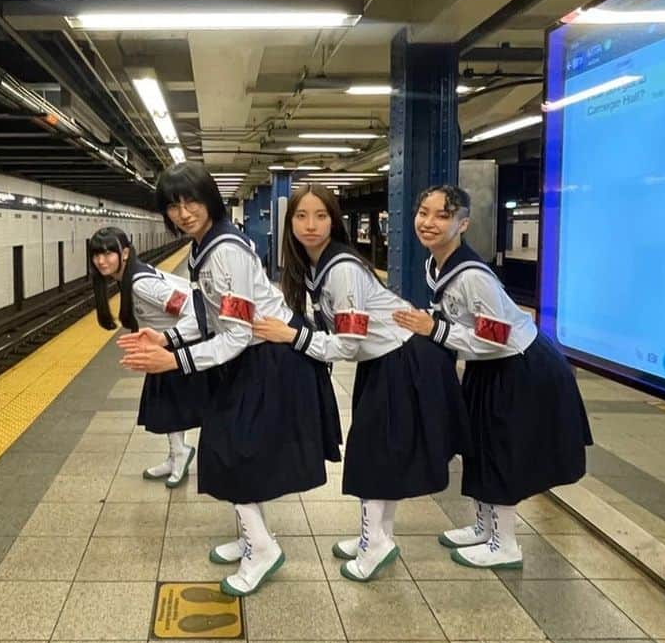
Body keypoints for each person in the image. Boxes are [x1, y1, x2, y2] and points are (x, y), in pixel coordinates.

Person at [117, 163, 341, 596]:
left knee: (232, 453)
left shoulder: (226, 252)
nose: (183, 213)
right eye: (173, 205)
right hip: (251, 358)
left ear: (210, 200)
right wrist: (168, 337)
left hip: (271, 359)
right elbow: (210, 314)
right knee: (231, 452)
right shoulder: (204, 246)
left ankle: (262, 549)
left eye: (191, 201)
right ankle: (251, 538)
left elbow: (236, 333)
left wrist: (175, 361)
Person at [254, 184, 469, 581]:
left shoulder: (342, 270)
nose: (311, 225)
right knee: (379, 454)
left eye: (321, 216)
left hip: (403, 361)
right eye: (301, 216)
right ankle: (377, 534)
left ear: (334, 221)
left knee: (373, 457)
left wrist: (294, 338)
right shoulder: (317, 266)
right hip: (388, 360)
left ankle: (375, 544)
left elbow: (349, 344)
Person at [392, 184, 592, 568]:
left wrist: (433, 329)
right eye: (423, 212)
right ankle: (485, 527)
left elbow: (497, 337)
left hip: (518, 366)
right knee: (480, 445)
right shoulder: (435, 264)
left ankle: (506, 544)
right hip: (489, 365)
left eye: (442, 215)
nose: (428, 222)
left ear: (462, 223)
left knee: (502, 449)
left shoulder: (472, 276)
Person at [89, 226, 203, 488]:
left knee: (172, 407)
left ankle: (182, 455)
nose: (101, 260)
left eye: (108, 253)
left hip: (176, 347)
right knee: (168, 405)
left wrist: (167, 339)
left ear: (125, 253)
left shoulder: (141, 285)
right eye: (96, 255)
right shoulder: (130, 277)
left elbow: (195, 311)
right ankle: (177, 454)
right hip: (165, 347)